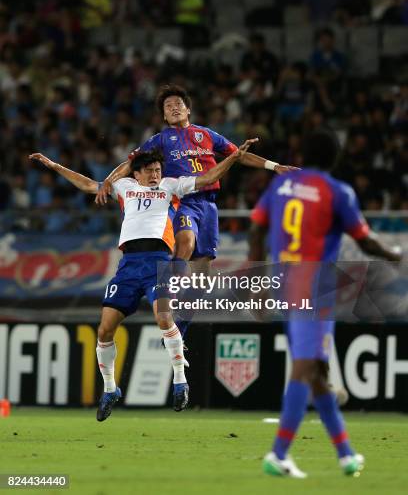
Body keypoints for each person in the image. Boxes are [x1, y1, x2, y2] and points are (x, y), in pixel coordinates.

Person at [29, 139, 256, 419]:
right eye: (148, 170)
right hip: (128, 267)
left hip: (157, 263)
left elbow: (208, 177)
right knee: (104, 331)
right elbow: (89, 185)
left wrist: (233, 158)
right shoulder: (124, 188)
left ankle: (179, 381)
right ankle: (110, 389)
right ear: (135, 174)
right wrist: (53, 165)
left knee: (164, 318)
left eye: (157, 169)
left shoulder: (171, 186)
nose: (154, 174)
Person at [249, 129, 402, 478]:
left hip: (282, 282)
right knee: (305, 367)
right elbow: (365, 243)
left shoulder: (281, 186)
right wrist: (394, 254)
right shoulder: (337, 191)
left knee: (317, 372)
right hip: (315, 287)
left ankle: (346, 454)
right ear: (335, 157)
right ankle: (279, 453)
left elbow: (256, 230)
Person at [95, 84, 296, 337]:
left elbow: (239, 155)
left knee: (202, 277)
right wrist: (107, 183)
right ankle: (164, 289)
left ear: (188, 109)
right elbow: (130, 163)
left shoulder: (207, 135)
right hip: (183, 201)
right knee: (186, 242)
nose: (174, 107)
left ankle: (181, 329)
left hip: (209, 205)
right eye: (169, 107)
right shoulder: (160, 140)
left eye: (178, 103)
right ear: (164, 117)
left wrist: (274, 166)